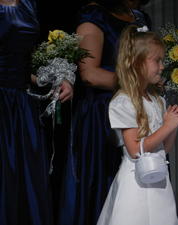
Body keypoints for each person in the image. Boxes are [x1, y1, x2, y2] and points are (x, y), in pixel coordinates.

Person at [58, 1, 150, 225]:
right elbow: (90, 74)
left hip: (137, 109)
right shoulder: (95, 14)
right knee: (105, 181)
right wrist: (139, 83)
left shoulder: (140, 17)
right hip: (104, 115)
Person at [97, 25, 178, 225]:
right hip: (136, 183)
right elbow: (136, 150)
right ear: (137, 63)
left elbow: (165, 148)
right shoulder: (124, 101)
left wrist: (173, 126)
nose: (162, 66)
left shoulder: (157, 100)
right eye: (157, 61)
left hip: (159, 182)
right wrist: (167, 127)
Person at [0, 0, 72, 224]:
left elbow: (27, 65)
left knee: (26, 178)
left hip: (21, 105)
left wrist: (57, 80)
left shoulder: (29, 5)